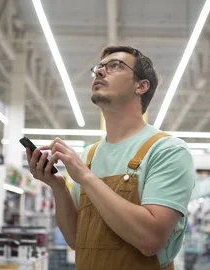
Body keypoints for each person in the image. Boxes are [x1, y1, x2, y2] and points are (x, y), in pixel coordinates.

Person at [25, 45, 195, 270]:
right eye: (99, 68)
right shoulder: (90, 156)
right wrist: (58, 187)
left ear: (141, 86)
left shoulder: (167, 151)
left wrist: (86, 177)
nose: (100, 72)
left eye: (115, 66)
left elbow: (150, 239)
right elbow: (78, 239)